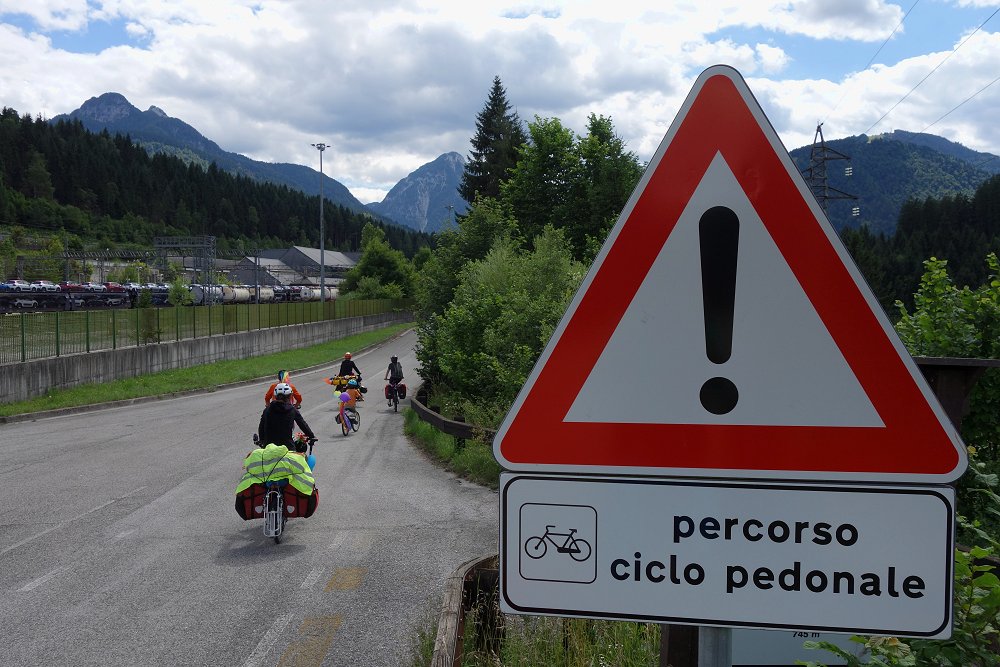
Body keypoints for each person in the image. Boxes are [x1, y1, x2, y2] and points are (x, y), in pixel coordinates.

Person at [258, 383, 316, 450]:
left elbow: (261, 427)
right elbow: (302, 424)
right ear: (290, 396)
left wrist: (261, 440)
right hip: (287, 447)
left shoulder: (267, 410)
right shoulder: (292, 410)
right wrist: (311, 436)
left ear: (275, 396)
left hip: (269, 447)